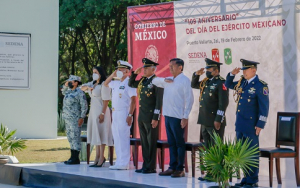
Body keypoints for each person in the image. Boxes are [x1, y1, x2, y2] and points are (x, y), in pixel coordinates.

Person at [225, 59, 269, 187]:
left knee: (252, 153)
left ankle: (253, 180)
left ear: (253, 70)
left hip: (251, 125)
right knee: (242, 153)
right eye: (243, 70)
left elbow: (264, 107)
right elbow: (228, 84)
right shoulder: (242, 83)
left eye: (246, 70)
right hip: (240, 124)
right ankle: (246, 178)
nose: (243, 72)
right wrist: (232, 74)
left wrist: (260, 124)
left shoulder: (261, 85)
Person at [152, 58, 194, 178]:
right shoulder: (169, 80)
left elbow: (190, 99)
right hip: (168, 115)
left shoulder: (184, 80)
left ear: (180, 67)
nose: (170, 68)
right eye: (169, 66)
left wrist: (185, 116)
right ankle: (172, 167)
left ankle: (180, 169)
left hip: (178, 116)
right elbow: (155, 81)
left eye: (172, 66)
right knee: (171, 142)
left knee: (179, 143)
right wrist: (164, 79)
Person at [191, 58, 229, 181]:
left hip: (214, 121)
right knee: (208, 148)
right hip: (204, 121)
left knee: (216, 148)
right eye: (206, 68)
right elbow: (194, 84)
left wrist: (219, 118)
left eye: (209, 69)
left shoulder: (221, 83)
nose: (206, 71)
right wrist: (196, 74)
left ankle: (217, 174)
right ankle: (210, 173)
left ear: (216, 70)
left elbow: (223, 103)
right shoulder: (206, 81)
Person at [128, 58, 164, 174]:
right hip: (142, 115)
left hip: (151, 116)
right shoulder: (143, 81)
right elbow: (131, 84)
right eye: (144, 67)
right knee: (144, 141)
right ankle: (145, 164)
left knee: (151, 141)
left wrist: (156, 117)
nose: (144, 70)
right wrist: (134, 74)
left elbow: (159, 101)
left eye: (146, 68)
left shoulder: (157, 81)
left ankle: (151, 166)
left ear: (153, 70)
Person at [104, 60, 137, 170]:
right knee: (117, 137)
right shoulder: (117, 82)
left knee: (123, 137)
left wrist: (130, 115)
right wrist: (113, 75)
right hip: (115, 112)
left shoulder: (130, 83)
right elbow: (105, 83)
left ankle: (124, 163)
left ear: (127, 71)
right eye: (117, 69)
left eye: (121, 70)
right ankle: (119, 161)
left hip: (124, 112)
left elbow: (133, 101)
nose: (118, 71)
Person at [81, 66, 113, 167]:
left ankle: (101, 157)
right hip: (93, 112)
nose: (94, 74)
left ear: (100, 73)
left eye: (96, 72)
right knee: (96, 134)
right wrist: (88, 88)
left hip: (101, 111)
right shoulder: (93, 83)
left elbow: (106, 100)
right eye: (93, 72)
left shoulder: (104, 84)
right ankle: (97, 156)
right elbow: (81, 88)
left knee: (102, 134)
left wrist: (102, 113)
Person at [61, 75, 88, 165]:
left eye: (71, 81)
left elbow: (84, 106)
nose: (69, 83)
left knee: (75, 137)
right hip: (67, 119)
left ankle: (76, 158)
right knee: (70, 137)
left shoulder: (79, 92)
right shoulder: (68, 91)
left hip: (75, 119)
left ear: (76, 82)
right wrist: (66, 85)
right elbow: (63, 91)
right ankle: (72, 157)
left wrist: (82, 117)